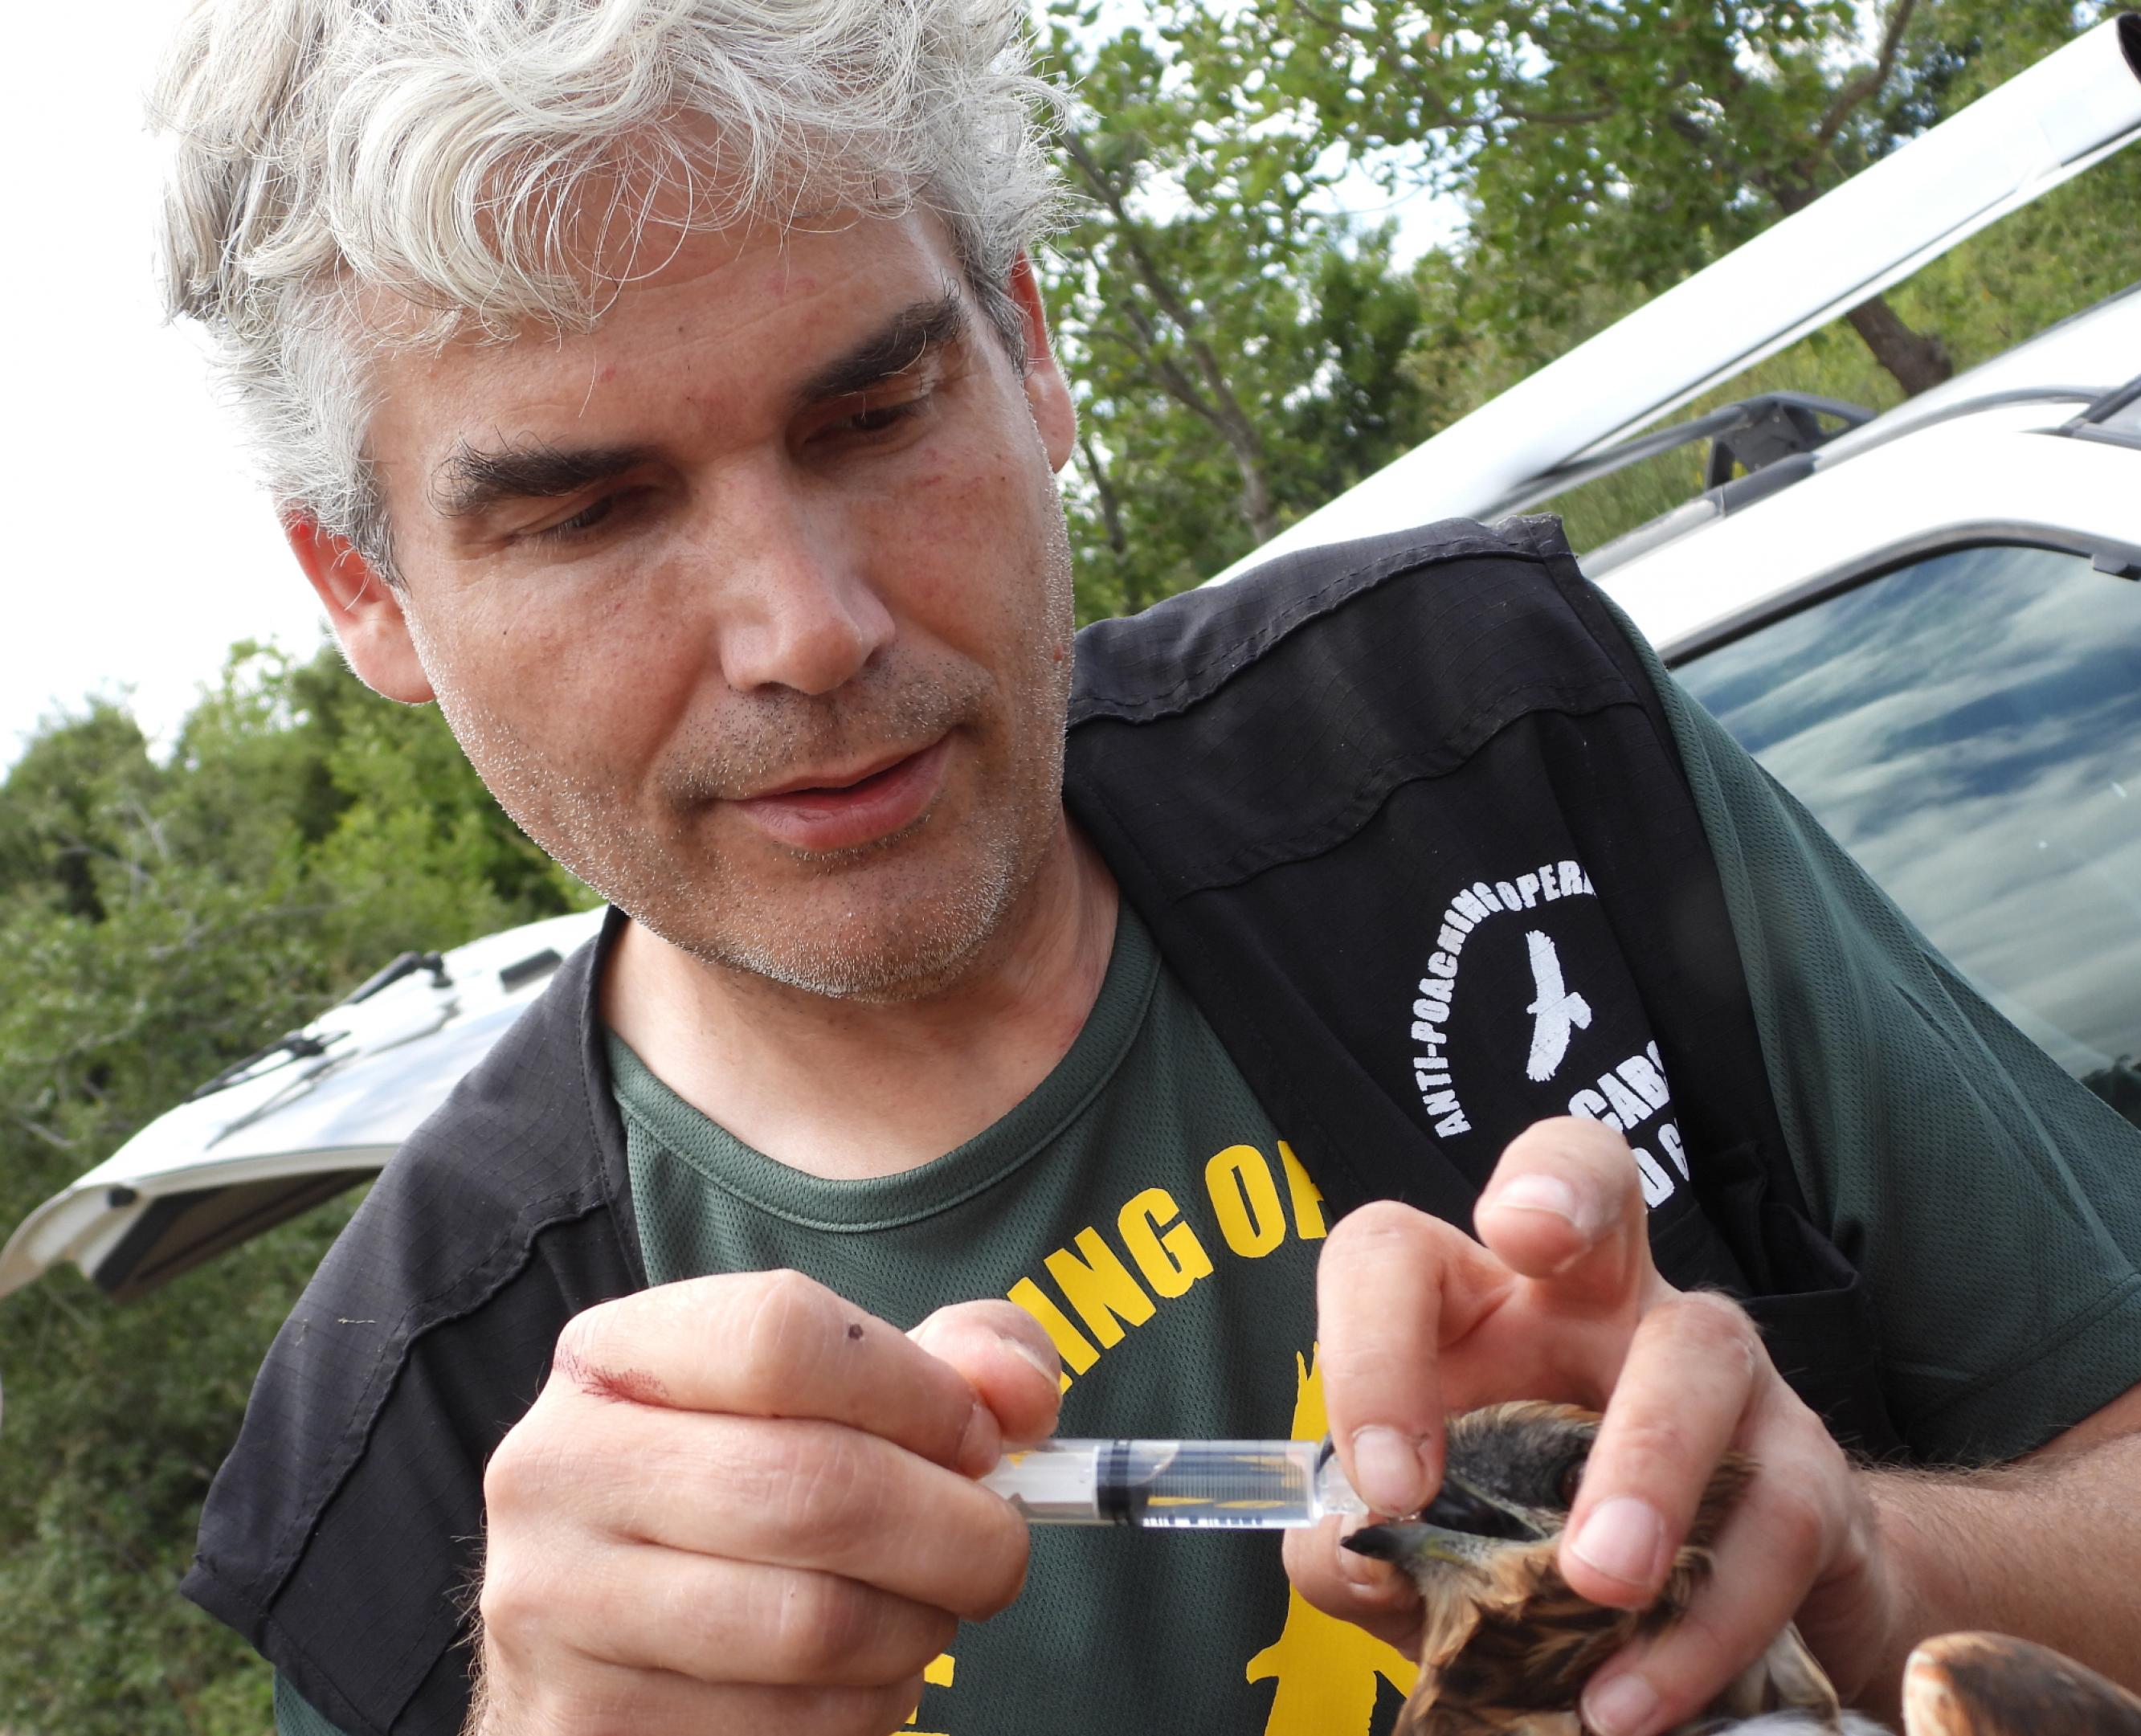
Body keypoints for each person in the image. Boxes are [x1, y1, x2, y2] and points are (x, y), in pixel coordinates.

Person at [155, 2, 2141, 1734]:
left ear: (1024, 350)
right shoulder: (389, 1440)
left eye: (873, 409)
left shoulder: (1474, 744)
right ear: (368, 587)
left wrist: (1857, 1559)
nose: (805, 626)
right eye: (587, 512)